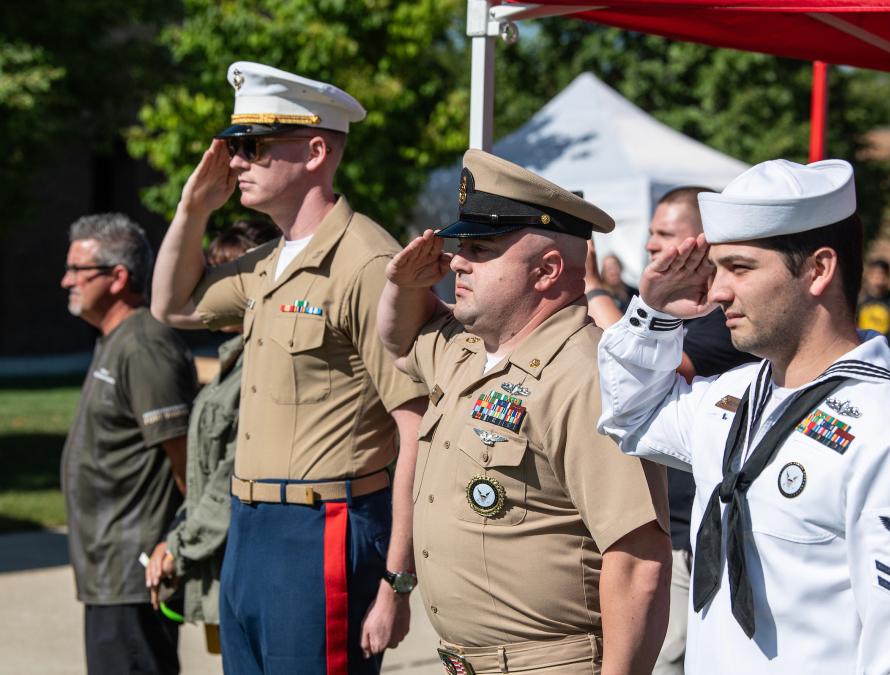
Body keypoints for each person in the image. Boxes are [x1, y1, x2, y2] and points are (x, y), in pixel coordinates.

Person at [596, 158, 890, 672]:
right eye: (716, 268)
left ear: (819, 269)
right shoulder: (737, 395)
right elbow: (631, 418)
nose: (717, 291)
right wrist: (651, 317)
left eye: (740, 268)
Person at [150, 62, 427, 674]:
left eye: (251, 147)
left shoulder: (365, 263)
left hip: (322, 528)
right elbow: (170, 305)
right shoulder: (268, 261)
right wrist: (192, 209)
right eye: (233, 147)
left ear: (315, 150)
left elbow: (417, 429)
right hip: (250, 526)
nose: (235, 162)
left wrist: (397, 581)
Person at [377, 149, 672, 674]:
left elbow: (638, 559)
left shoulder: (586, 375)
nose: (458, 261)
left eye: (480, 248)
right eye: (461, 245)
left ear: (547, 270)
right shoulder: (469, 350)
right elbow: (399, 343)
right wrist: (404, 283)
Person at [587, 186, 757, 675]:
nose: (651, 245)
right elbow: (630, 407)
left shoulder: (724, 320)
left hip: (690, 534)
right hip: (680, 526)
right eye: (652, 233)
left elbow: (649, 374)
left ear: (700, 243)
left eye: (666, 235)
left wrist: (597, 291)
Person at [60, 213, 197, 675]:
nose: (66, 281)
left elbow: (185, 465)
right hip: (108, 573)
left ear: (118, 277)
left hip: (134, 574)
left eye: (78, 271)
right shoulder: (114, 340)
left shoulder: (144, 347)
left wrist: (175, 545)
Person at [145, 220, 280, 650]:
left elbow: (230, 474)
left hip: (251, 563)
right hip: (222, 560)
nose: (212, 284)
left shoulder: (265, 366)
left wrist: (180, 546)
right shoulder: (234, 358)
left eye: (225, 272)